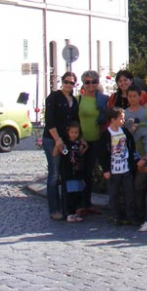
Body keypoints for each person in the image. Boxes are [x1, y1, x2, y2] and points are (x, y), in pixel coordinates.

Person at [43, 72, 79, 221]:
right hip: (53, 139)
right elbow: (49, 121)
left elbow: (75, 121)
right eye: (66, 82)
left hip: (67, 140)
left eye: (71, 83)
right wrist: (57, 139)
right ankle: (54, 209)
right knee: (54, 174)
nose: (68, 85)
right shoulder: (54, 97)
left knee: (66, 174)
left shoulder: (74, 100)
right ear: (62, 82)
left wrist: (78, 138)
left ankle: (67, 209)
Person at [99, 107, 138, 226]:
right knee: (114, 194)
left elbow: (131, 147)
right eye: (121, 118)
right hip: (113, 169)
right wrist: (105, 169)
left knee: (129, 194)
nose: (123, 121)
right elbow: (103, 154)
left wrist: (132, 163)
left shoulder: (125, 132)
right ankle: (116, 216)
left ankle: (131, 216)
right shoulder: (106, 135)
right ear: (113, 120)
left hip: (125, 168)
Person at [77, 70, 109, 213]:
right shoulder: (79, 100)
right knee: (80, 172)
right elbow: (74, 120)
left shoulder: (103, 99)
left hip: (98, 139)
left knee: (90, 172)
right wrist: (79, 138)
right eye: (87, 82)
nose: (91, 85)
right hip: (82, 140)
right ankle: (79, 204)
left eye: (94, 82)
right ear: (83, 84)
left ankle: (88, 203)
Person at [55, 121, 87, 222]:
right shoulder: (66, 143)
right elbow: (57, 153)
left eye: (76, 132)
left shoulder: (78, 143)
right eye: (72, 132)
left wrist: (84, 147)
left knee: (77, 193)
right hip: (68, 172)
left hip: (77, 172)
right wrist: (57, 145)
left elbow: (82, 151)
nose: (74, 134)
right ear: (68, 132)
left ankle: (75, 212)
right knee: (68, 194)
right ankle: (68, 213)